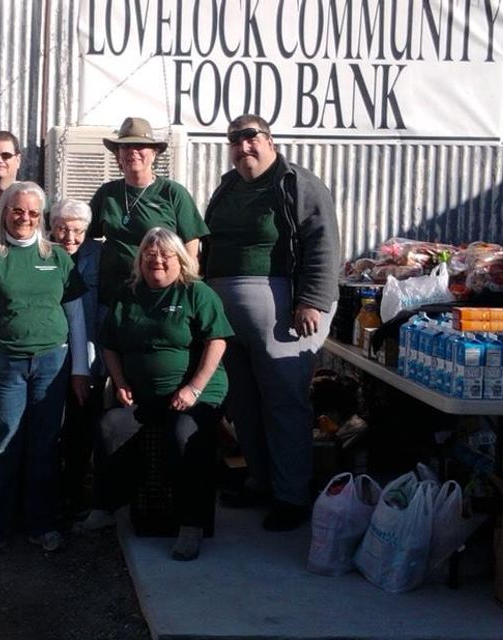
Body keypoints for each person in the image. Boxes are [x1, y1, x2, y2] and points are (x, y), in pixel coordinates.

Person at [203, 114, 340, 531]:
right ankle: (259, 480)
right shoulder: (228, 186)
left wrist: (311, 300)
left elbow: (323, 241)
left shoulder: (297, 183)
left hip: (282, 309)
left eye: (250, 137)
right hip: (229, 316)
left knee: (284, 401)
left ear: (270, 139)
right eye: (235, 140)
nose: (243, 146)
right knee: (243, 402)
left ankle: (292, 495)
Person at [79, 227, 233, 561]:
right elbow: (110, 345)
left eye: (165, 255)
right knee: (109, 427)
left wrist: (193, 388)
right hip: (143, 398)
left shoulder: (196, 293)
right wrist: (119, 382)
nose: (158, 261)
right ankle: (107, 506)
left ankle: (191, 524)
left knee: (184, 435)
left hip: (195, 396)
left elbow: (216, 341)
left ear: (180, 259)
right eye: (150, 255)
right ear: (140, 261)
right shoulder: (129, 293)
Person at [0, 181, 90, 556]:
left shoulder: (57, 257)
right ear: (4, 213)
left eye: (34, 212)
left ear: (42, 216)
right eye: (18, 210)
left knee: (45, 445)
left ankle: (41, 524)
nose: (25, 218)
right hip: (6, 363)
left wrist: (80, 369)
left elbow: (76, 316)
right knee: (4, 440)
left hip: (53, 362)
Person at [88, 117, 208, 309]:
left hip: (158, 298)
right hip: (113, 298)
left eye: (140, 146)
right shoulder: (107, 193)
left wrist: (182, 291)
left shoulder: (172, 192)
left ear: (154, 154)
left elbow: (191, 249)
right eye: (125, 147)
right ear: (118, 155)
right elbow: (83, 237)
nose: (132, 152)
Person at [48, 199, 104, 517]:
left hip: (90, 349)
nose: (69, 237)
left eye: (78, 230)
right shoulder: (42, 252)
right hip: (52, 349)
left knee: (81, 423)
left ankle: (74, 489)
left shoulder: (99, 255)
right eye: (62, 228)